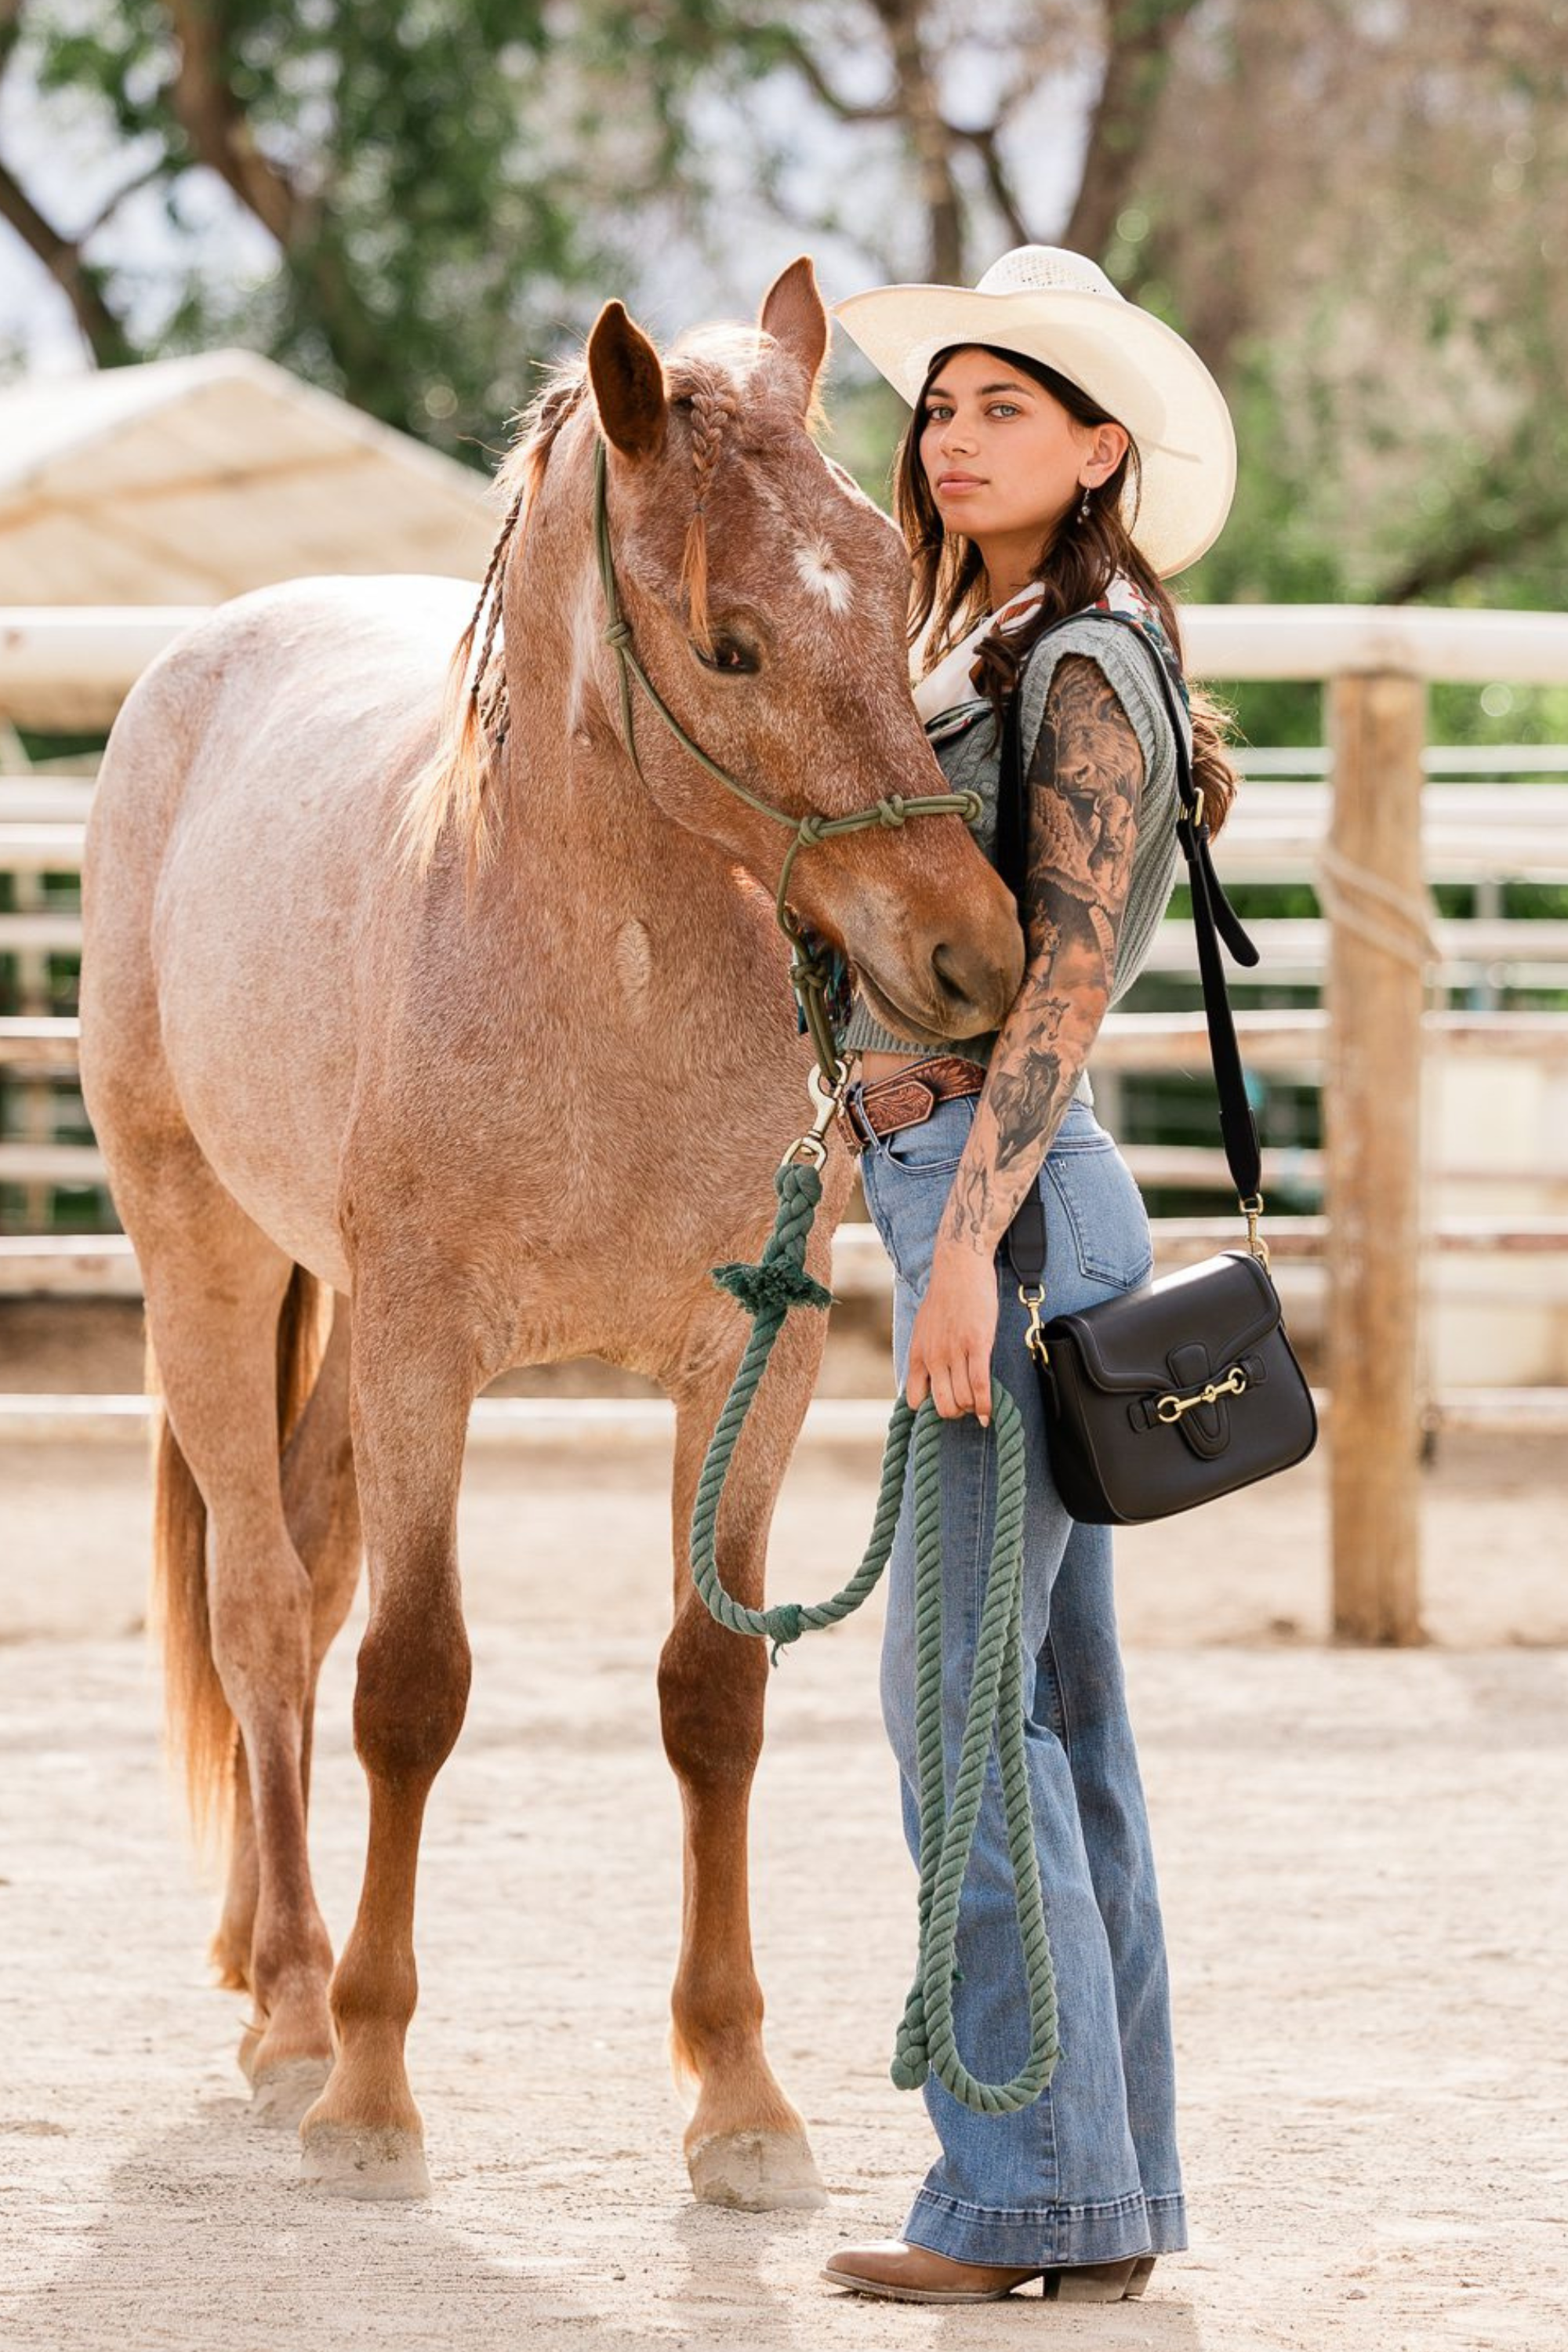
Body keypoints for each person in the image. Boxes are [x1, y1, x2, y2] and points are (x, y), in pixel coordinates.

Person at [815, 246, 1240, 2307]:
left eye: (1010, 406)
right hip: (983, 1190)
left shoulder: (1083, 665)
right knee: (1053, 1716)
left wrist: (963, 1247)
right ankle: (1106, 2188)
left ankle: (1024, 2203)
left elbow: (1065, 979)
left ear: (1100, 451)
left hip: (1009, 1199)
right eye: (943, 403)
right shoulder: (992, 647)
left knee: (965, 1720)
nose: (957, 434)